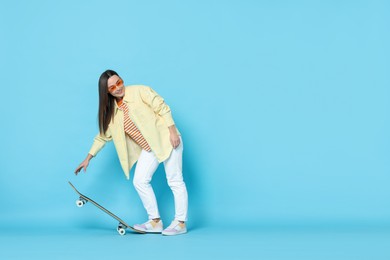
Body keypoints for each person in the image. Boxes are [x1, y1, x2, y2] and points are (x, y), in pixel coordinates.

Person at [74, 69, 188, 236]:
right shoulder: (112, 112)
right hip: (150, 148)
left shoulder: (140, 91)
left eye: (119, 82)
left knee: (175, 180)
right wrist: (88, 158)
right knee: (140, 181)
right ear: (107, 92)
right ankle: (155, 222)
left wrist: (172, 132)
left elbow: (162, 107)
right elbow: (102, 137)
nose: (118, 88)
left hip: (167, 139)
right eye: (112, 87)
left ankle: (180, 222)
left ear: (122, 80)